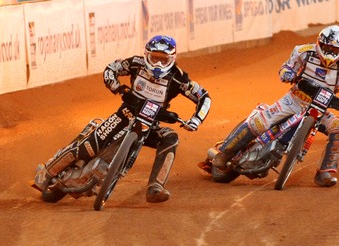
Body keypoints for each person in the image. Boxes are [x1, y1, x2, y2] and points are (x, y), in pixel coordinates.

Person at [34, 35, 211, 203]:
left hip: (151, 123)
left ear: (172, 59)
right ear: (146, 54)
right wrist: (116, 87)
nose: (157, 63)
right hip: (126, 114)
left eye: (163, 59)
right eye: (154, 57)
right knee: (89, 145)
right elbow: (112, 68)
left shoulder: (179, 78)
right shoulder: (135, 63)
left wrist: (196, 120)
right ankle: (48, 173)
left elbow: (204, 96)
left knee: (171, 138)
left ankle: (155, 188)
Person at [199, 25, 339, 187]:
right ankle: (224, 154)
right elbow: (285, 68)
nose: (330, 52)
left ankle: (325, 172)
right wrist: (288, 74)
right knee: (260, 122)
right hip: (293, 100)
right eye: (327, 47)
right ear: (320, 43)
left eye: (335, 50)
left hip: (321, 108)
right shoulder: (302, 51)